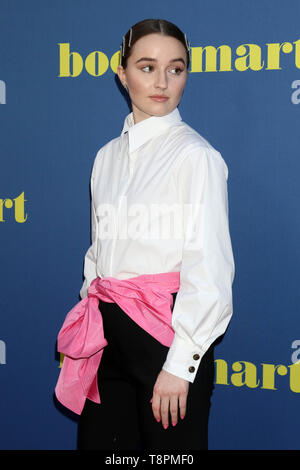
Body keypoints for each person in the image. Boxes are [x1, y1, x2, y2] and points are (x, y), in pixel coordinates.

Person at [55, 18, 235, 451]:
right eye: (147, 67)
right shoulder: (106, 157)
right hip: (108, 337)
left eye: (176, 68)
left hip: (167, 339)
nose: (162, 82)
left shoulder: (197, 157)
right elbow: (100, 253)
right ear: (122, 73)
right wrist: (88, 318)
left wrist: (181, 365)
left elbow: (209, 269)